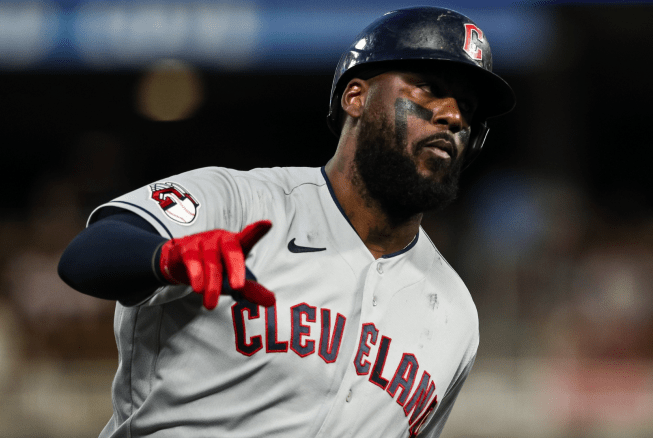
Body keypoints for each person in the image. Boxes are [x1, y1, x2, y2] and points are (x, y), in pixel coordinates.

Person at [58, 6, 515, 437]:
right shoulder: (242, 200)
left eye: (468, 110)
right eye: (428, 88)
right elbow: (88, 254)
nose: (453, 116)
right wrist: (166, 258)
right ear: (356, 97)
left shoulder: (455, 315)